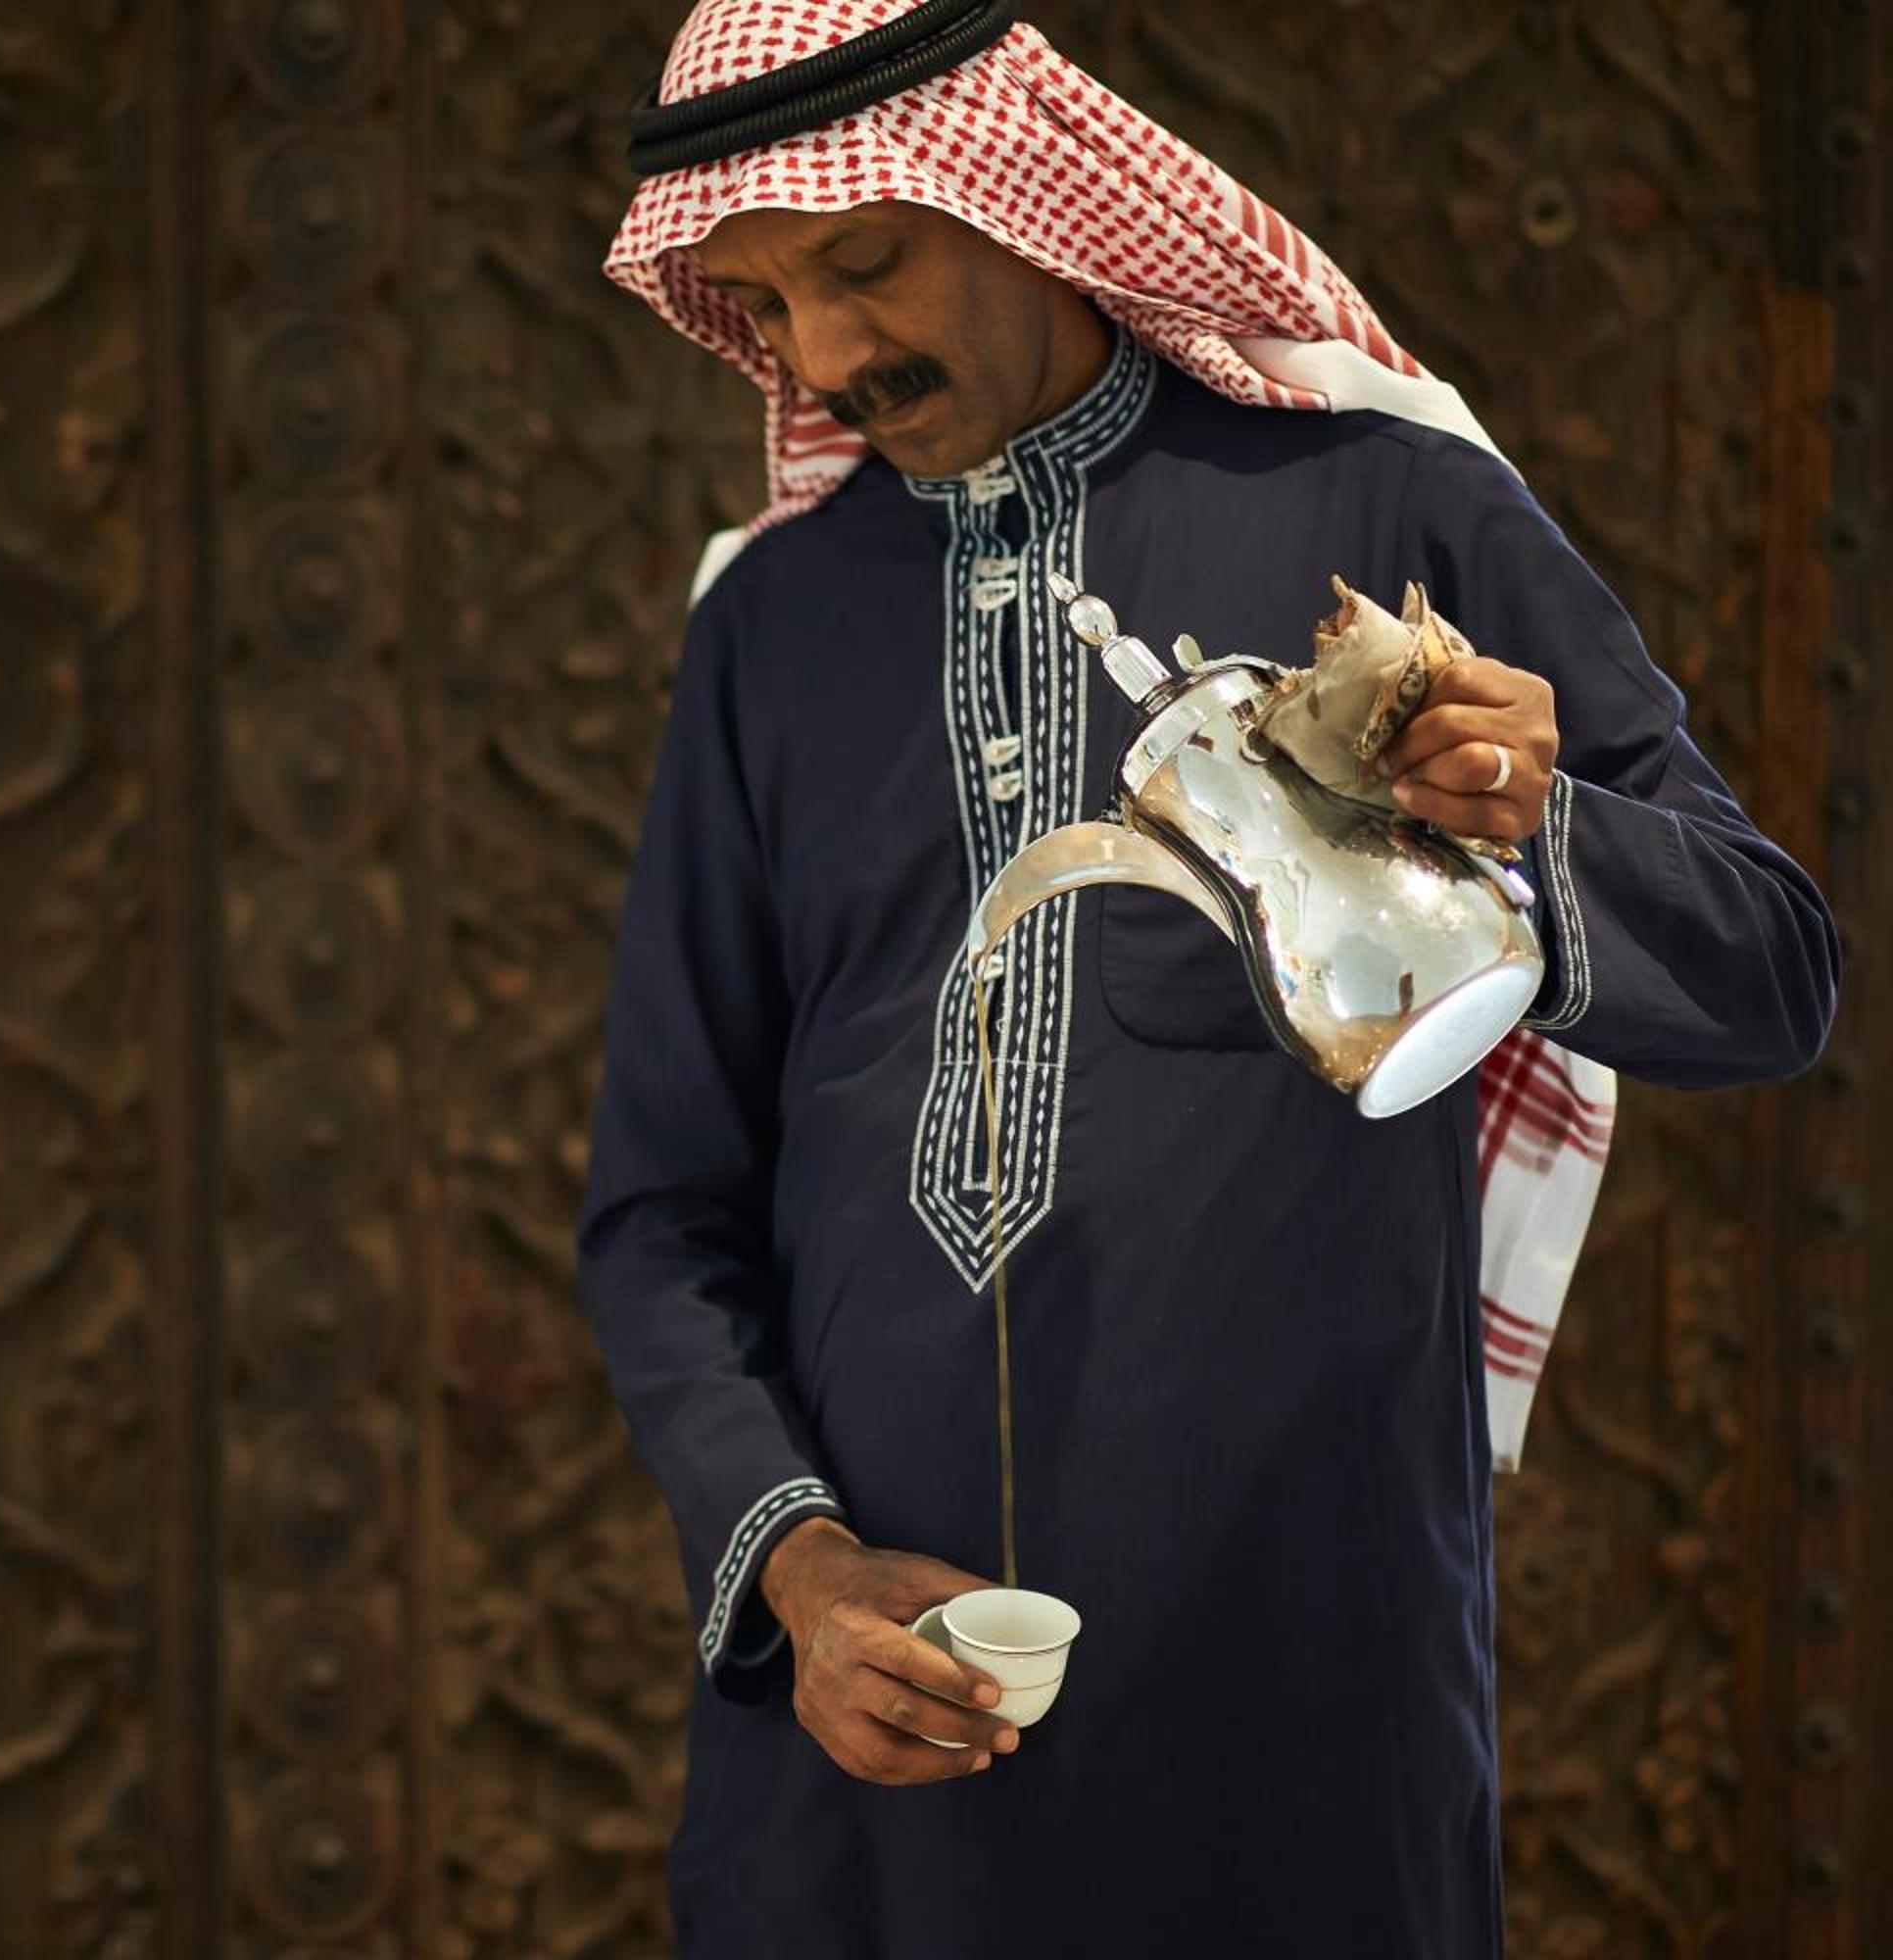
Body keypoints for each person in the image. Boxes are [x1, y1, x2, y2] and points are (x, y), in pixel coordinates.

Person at [575, 2, 1840, 1953]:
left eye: (863, 261)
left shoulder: (1386, 507)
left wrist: (1533, 822)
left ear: (1018, 183)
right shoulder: (770, 629)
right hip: (870, 1747)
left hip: (1307, 1711)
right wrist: (800, 1576)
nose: (824, 355)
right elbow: (663, 1212)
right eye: (763, 303)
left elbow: (1769, 972)